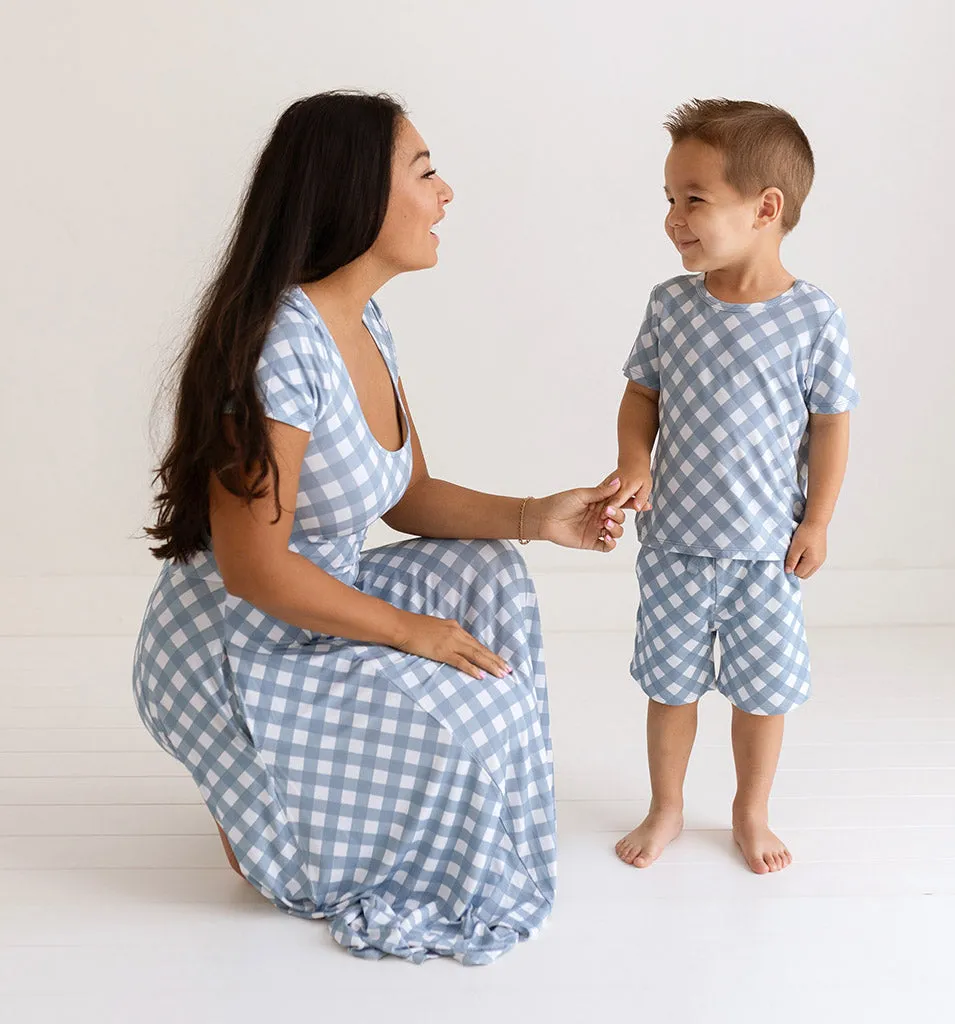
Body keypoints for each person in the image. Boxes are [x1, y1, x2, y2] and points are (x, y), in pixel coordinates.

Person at [133, 90, 627, 965]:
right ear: (358, 193)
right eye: (426, 172)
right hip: (237, 641)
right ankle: (268, 799)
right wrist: (414, 635)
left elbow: (410, 495)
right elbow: (253, 570)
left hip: (317, 596)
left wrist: (534, 518)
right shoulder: (279, 345)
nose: (447, 195)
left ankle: (339, 795)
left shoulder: (361, 322)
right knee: (463, 701)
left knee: (489, 574)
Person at [608, 99, 859, 874]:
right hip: (677, 544)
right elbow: (641, 395)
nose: (672, 219)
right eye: (669, 199)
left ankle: (750, 810)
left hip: (765, 553)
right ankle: (667, 806)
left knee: (763, 694)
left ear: (765, 209)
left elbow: (830, 424)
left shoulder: (813, 317)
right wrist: (635, 463)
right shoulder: (672, 306)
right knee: (670, 687)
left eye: (693, 200)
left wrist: (816, 521)